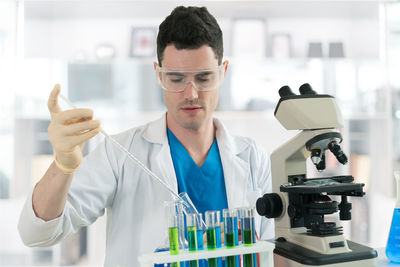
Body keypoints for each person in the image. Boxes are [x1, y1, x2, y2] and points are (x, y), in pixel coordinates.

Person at [18, 6, 273, 267]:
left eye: (204, 78)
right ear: (158, 74)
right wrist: (62, 166)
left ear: (223, 72)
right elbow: (36, 233)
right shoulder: (119, 154)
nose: (191, 93)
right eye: (176, 79)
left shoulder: (253, 158)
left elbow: (273, 252)